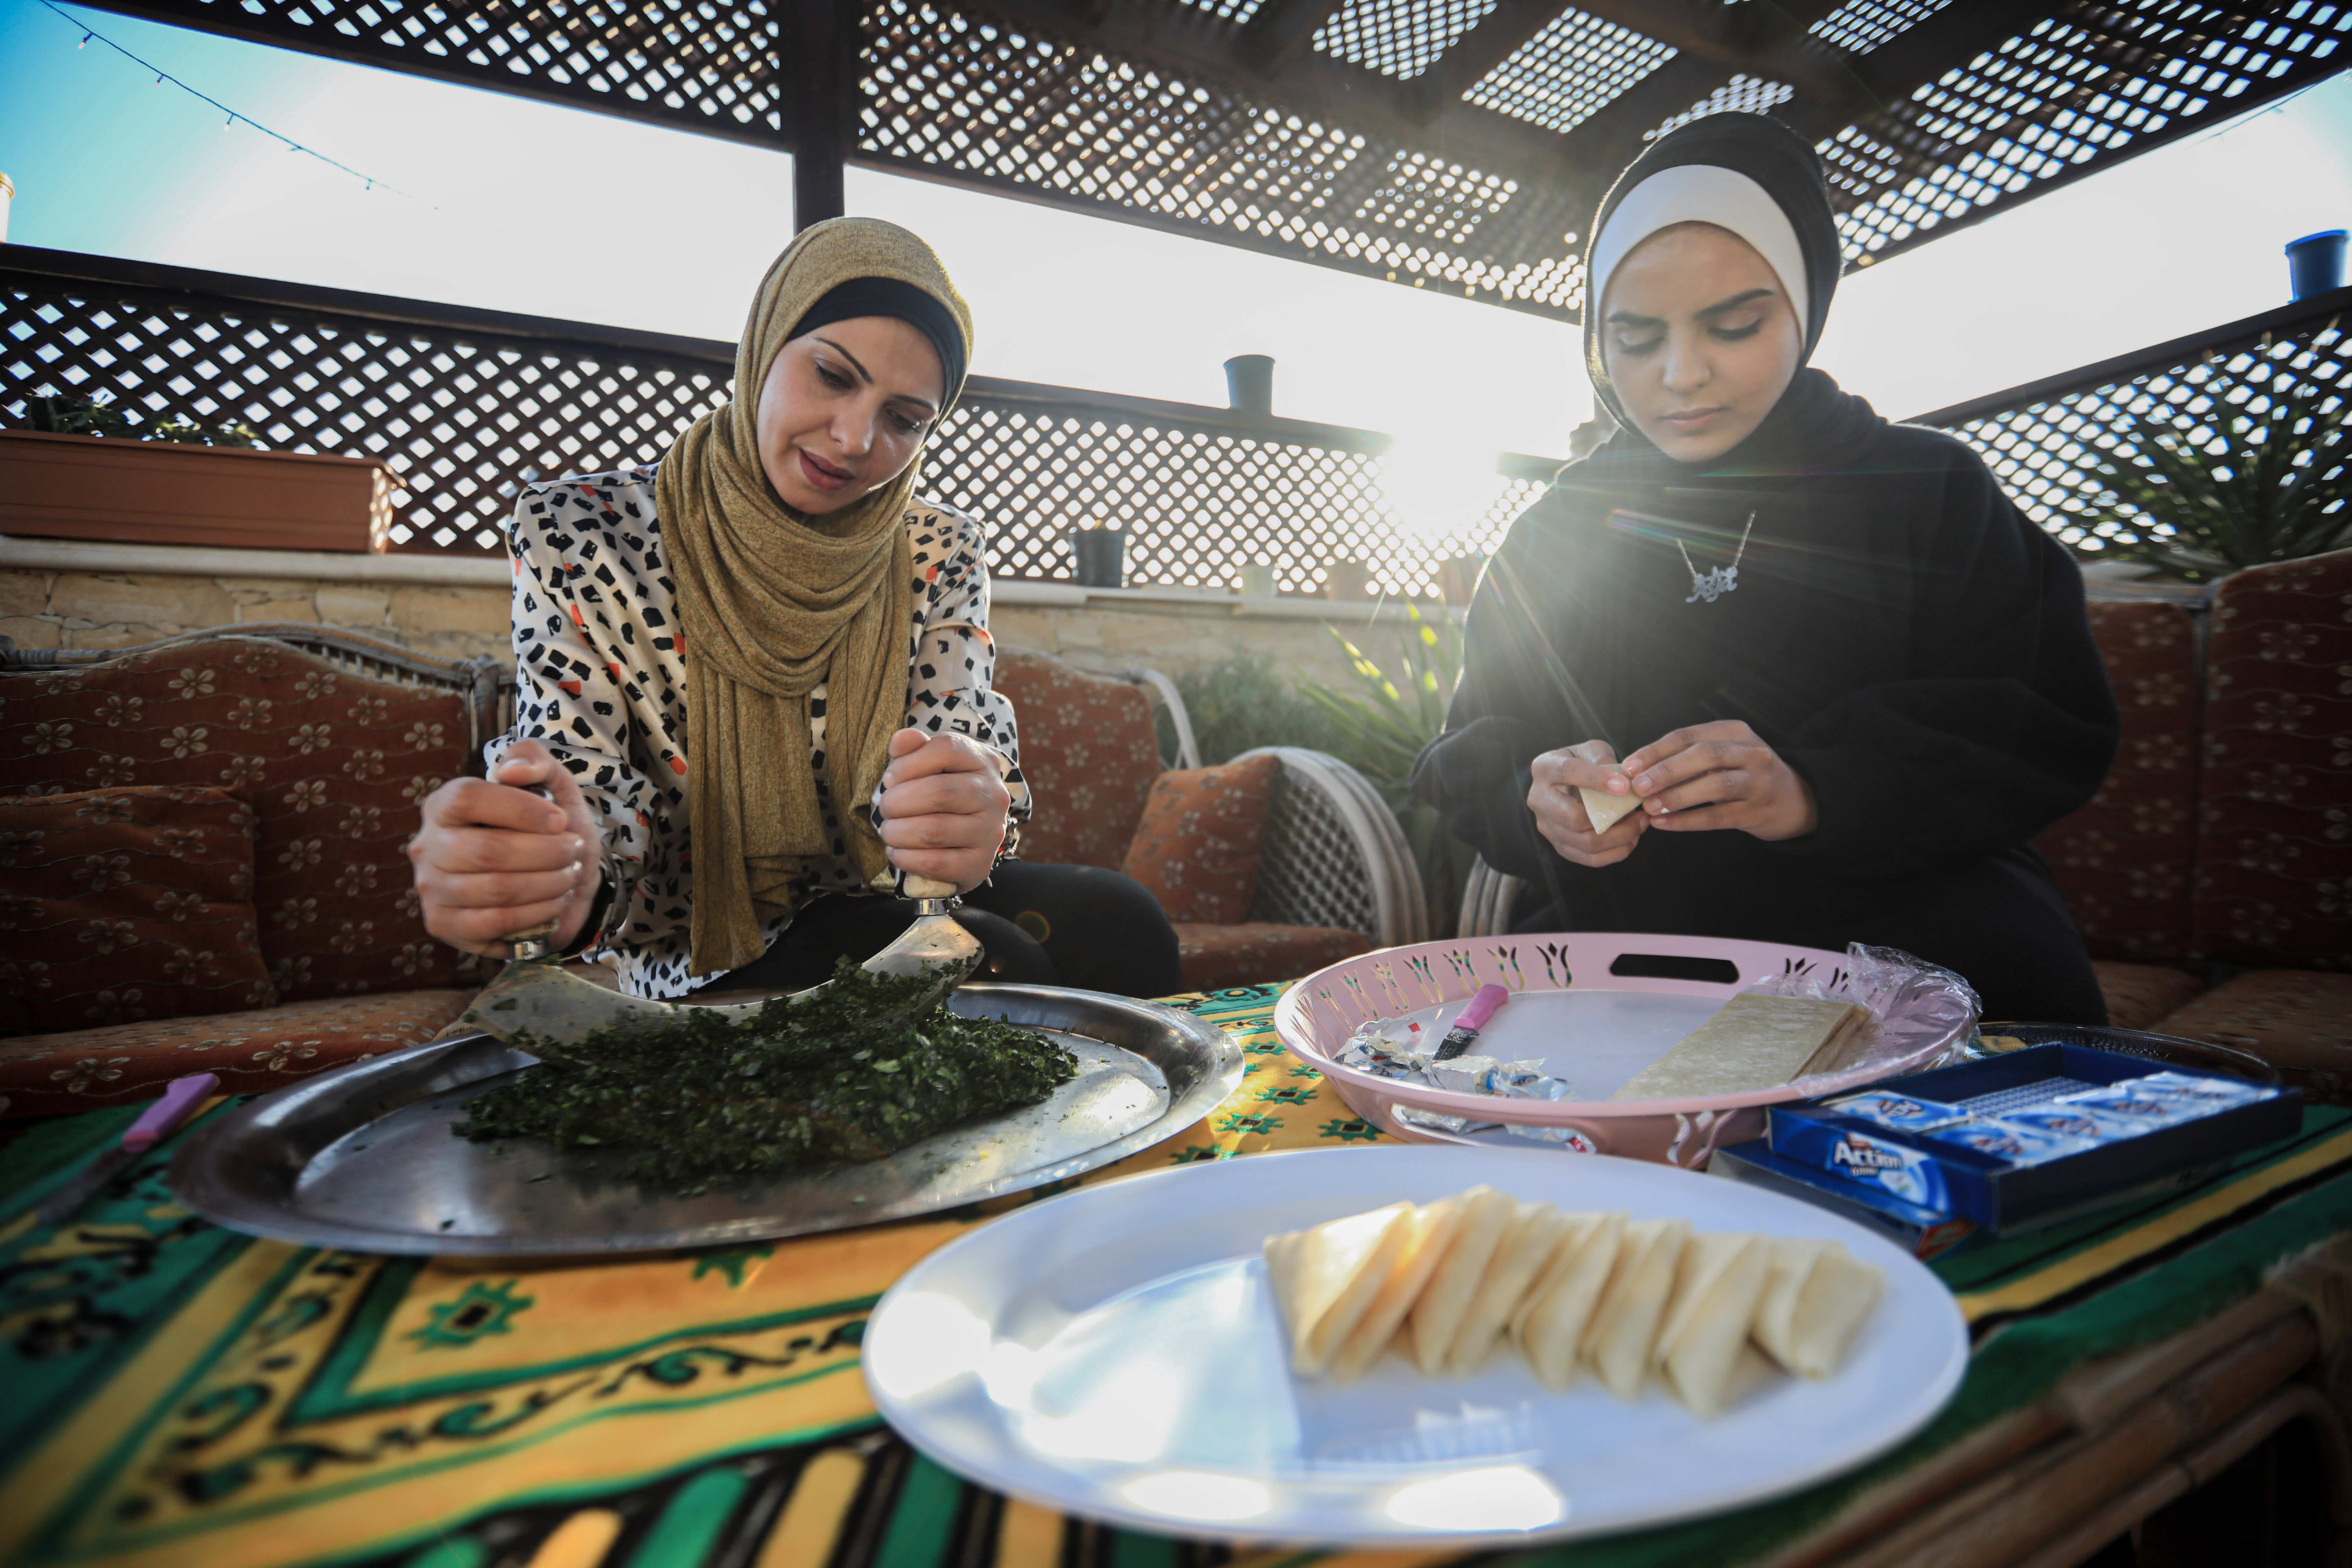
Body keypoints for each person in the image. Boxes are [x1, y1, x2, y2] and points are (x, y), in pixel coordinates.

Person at [1410, 113, 2121, 1024]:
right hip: (1635, 956)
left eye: (1734, 324)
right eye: (1635, 338)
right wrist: (1540, 800)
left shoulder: (1928, 487)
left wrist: (1819, 788)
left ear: (1804, 308)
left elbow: (2042, 719)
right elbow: (1475, 746)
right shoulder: (1557, 531)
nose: (1682, 374)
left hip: (1924, 942)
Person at [408, 218, 1182, 999]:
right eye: (833, 375)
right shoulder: (583, 530)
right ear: (765, 346)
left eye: (904, 419)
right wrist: (558, 861)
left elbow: (961, 728)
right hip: (706, 946)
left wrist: (969, 803)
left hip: (894, 898)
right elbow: (580, 769)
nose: (854, 438)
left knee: (1122, 922)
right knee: (987, 959)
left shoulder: (934, 546)